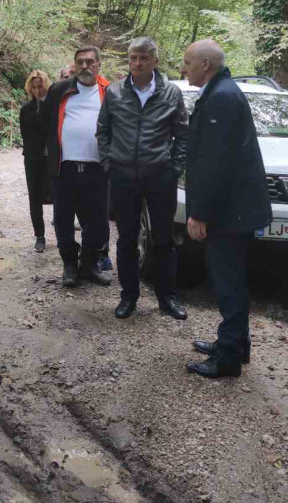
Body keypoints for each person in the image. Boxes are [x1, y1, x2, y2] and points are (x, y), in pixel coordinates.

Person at [182, 40, 271, 378]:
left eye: (188, 62)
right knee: (231, 278)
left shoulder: (222, 97)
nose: (183, 68)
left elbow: (215, 164)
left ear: (206, 64)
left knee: (228, 281)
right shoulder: (222, 92)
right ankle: (235, 343)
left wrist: (200, 212)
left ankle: (229, 357)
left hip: (229, 211)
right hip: (233, 208)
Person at [97, 37, 188, 321]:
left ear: (154, 61)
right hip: (124, 176)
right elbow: (103, 131)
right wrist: (109, 163)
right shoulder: (114, 92)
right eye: (133, 58)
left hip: (160, 176)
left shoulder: (171, 93)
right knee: (126, 238)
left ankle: (166, 297)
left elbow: (183, 135)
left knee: (163, 239)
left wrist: (174, 168)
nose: (137, 63)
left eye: (143, 58)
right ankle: (128, 296)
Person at [41, 46, 111, 288]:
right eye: (80, 62)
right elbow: (45, 124)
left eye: (90, 62)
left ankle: (89, 264)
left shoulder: (110, 91)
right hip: (65, 167)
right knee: (63, 219)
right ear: (74, 64)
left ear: (99, 64)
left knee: (97, 221)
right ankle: (69, 265)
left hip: (98, 168)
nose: (85, 66)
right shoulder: (60, 90)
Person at [20, 69, 52, 252]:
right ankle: (39, 235)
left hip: (53, 157)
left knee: (58, 195)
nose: (38, 91)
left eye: (40, 86)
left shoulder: (53, 106)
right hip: (33, 157)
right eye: (34, 87)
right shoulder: (26, 109)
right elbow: (25, 135)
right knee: (35, 196)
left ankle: (65, 235)